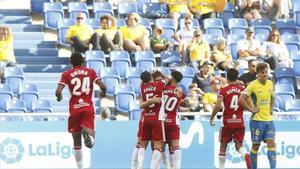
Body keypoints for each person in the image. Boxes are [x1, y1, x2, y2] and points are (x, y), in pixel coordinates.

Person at [55, 52, 106, 169]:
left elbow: (58, 92)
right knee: (90, 142)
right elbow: (103, 86)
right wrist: (103, 94)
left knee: (76, 142)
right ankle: (90, 138)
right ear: (83, 62)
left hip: (74, 109)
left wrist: (59, 97)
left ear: (70, 62)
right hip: (88, 107)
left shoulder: (67, 74)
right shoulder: (91, 72)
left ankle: (80, 167)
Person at [210, 68, 251, 169]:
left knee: (223, 146)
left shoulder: (223, 90)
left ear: (227, 78)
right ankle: (246, 156)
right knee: (239, 145)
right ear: (237, 78)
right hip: (240, 122)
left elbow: (218, 106)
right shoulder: (243, 90)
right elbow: (249, 104)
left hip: (227, 122)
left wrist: (212, 117)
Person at [239, 62, 276, 169]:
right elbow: (241, 99)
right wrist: (251, 109)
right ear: (258, 73)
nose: (265, 74)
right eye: (262, 72)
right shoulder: (252, 85)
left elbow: (273, 97)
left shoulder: (270, 83)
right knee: (256, 145)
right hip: (257, 120)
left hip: (269, 120)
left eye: (266, 72)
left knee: (271, 143)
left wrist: (271, 108)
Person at [137, 71, 166, 169]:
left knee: (143, 144)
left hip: (146, 117)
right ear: (151, 77)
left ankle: (140, 164)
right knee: (158, 145)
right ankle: (153, 167)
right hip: (156, 117)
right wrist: (160, 73)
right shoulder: (159, 85)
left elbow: (142, 83)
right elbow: (168, 80)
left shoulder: (143, 88)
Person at [163, 70, 185, 169]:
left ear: (172, 78)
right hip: (173, 119)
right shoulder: (179, 91)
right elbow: (184, 101)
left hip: (162, 120)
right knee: (175, 145)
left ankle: (169, 166)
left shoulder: (163, 89)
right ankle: (177, 167)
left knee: (161, 147)